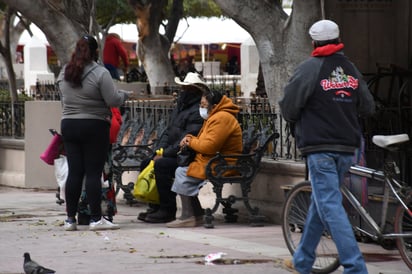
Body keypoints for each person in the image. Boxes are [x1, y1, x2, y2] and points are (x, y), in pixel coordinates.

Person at [279, 19, 375, 273]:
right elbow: (368, 106)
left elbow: (289, 106)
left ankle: (355, 267)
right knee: (322, 203)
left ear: (314, 42)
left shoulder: (310, 68)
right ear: (338, 39)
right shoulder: (351, 69)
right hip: (347, 147)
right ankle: (303, 260)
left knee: (330, 206)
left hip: (320, 147)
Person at [57, 35, 131, 231]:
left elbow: (63, 99)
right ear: (96, 52)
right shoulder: (100, 72)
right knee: (92, 173)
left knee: (75, 172)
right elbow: (113, 99)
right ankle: (96, 219)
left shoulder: (65, 71)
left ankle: (70, 219)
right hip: (94, 125)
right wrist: (125, 95)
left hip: (69, 125)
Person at [166, 89, 243, 228]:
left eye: (203, 105)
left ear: (214, 106)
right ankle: (194, 214)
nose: (201, 108)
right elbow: (206, 141)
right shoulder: (216, 116)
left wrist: (190, 141)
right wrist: (191, 139)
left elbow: (209, 146)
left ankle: (189, 216)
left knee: (182, 172)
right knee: (183, 170)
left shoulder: (221, 118)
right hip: (216, 161)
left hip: (223, 164)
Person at [137, 72, 205, 223]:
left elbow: (187, 139)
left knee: (161, 165)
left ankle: (167, 210)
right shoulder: (181, 107)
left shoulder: (197, 112)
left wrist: (165, 154)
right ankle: (155, 206)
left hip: (188, 156)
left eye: (188, 88)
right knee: (147, 162)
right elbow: (168, 132)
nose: (184, 91)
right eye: (184, 88)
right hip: (175, 153)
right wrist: (159, 150)